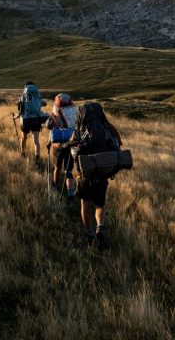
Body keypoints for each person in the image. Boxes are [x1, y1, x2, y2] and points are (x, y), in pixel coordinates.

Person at [71, 102, 122, 250]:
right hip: (103, 173)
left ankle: (89, 234)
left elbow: (72, 148)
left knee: (85, 203)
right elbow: (118, 145)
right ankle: (100, 227)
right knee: (100, 204)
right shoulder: (108, 127)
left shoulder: (79, 129)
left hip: (85, 175)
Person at [46, 93, 78, 203]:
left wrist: (49, 142)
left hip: (58, 145)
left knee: (57, 167)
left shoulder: (55, 113)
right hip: (71, 144)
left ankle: (55, 186)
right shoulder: (75, 112)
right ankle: (70, 194)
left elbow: (51, 130)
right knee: (68, 170)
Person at [14, 81, 46, 160]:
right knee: (36, 141)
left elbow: (20, 111)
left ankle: (23, 153)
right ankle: (37, 158)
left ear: (25, 87)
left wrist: (15, 117)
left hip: (26, 120)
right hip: (36, 119)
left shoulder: (23, 97)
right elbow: (42, 105)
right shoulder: (38, 96)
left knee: (24, 138)